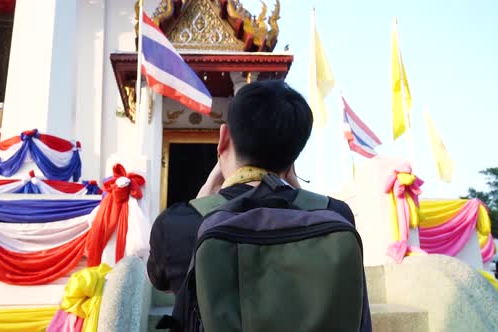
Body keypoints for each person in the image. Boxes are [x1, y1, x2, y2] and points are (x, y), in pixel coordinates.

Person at [147, 80, 370, 330]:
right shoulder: (336, 215)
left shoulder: (178, 222)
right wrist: (305, 200)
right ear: (294, 157)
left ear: (223, 139)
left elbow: (159, 280)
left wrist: (200, 203)